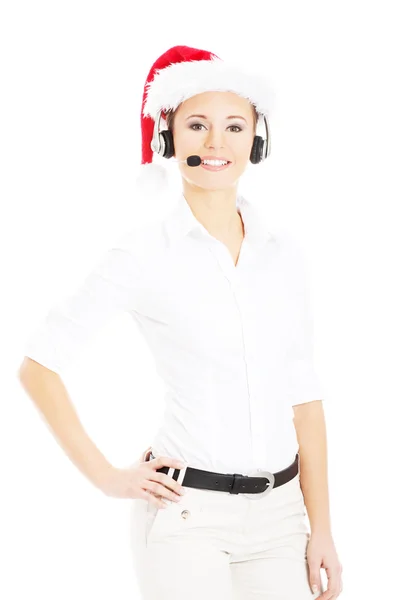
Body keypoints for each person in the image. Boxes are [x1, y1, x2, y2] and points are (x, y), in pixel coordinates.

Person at [18, 45, 343, 599]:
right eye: (198, 125)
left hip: (283, 518)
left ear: (256, 140)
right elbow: (39, 366)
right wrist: (106, 477)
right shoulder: (144, 253)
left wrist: (324, 531)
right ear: (169, 138)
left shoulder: (284, 255)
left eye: (234, 127)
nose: (216, 143)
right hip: (188, 516)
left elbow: (304, 396)